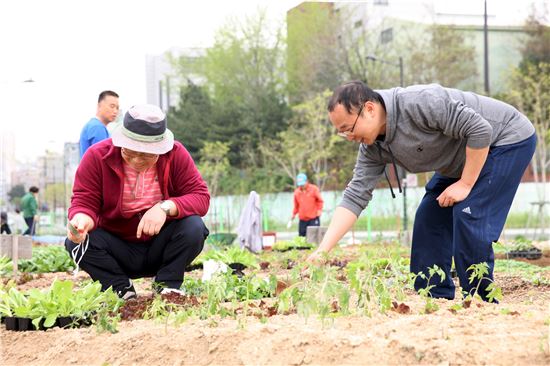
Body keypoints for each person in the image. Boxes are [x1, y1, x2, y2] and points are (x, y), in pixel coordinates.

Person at [307, 81, 536, 302]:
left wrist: (465, 184)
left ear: (369, 109)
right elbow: (355, 195)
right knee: (429, 218)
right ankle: (434, 296)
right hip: (462, 159)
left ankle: (479, 299)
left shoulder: (420, 103)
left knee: (469, 213)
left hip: (506, 139)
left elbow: (480, 130)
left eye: (349, 128)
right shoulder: (371, 149)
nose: (349, 137)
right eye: (342, 133)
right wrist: (323, 251)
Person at [65, 104, 210, 300]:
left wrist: (164, 207)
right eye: (129, 152)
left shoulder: (175, 154)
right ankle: (120, 287)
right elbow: (84, 201)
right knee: (77, 244)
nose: (136, 160)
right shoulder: (97, 156)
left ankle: (167, 285)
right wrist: (82, 220)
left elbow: (200, 196)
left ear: (160, 149)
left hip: (161, 246)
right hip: (118, 248)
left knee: (194, 227)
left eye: (146, 155)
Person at [79, 90, 120, 158]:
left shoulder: (93, 125)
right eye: (112, 106)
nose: (115, 111)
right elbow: (103, 158)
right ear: (99, 106)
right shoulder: (97, 127)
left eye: (117, 108)